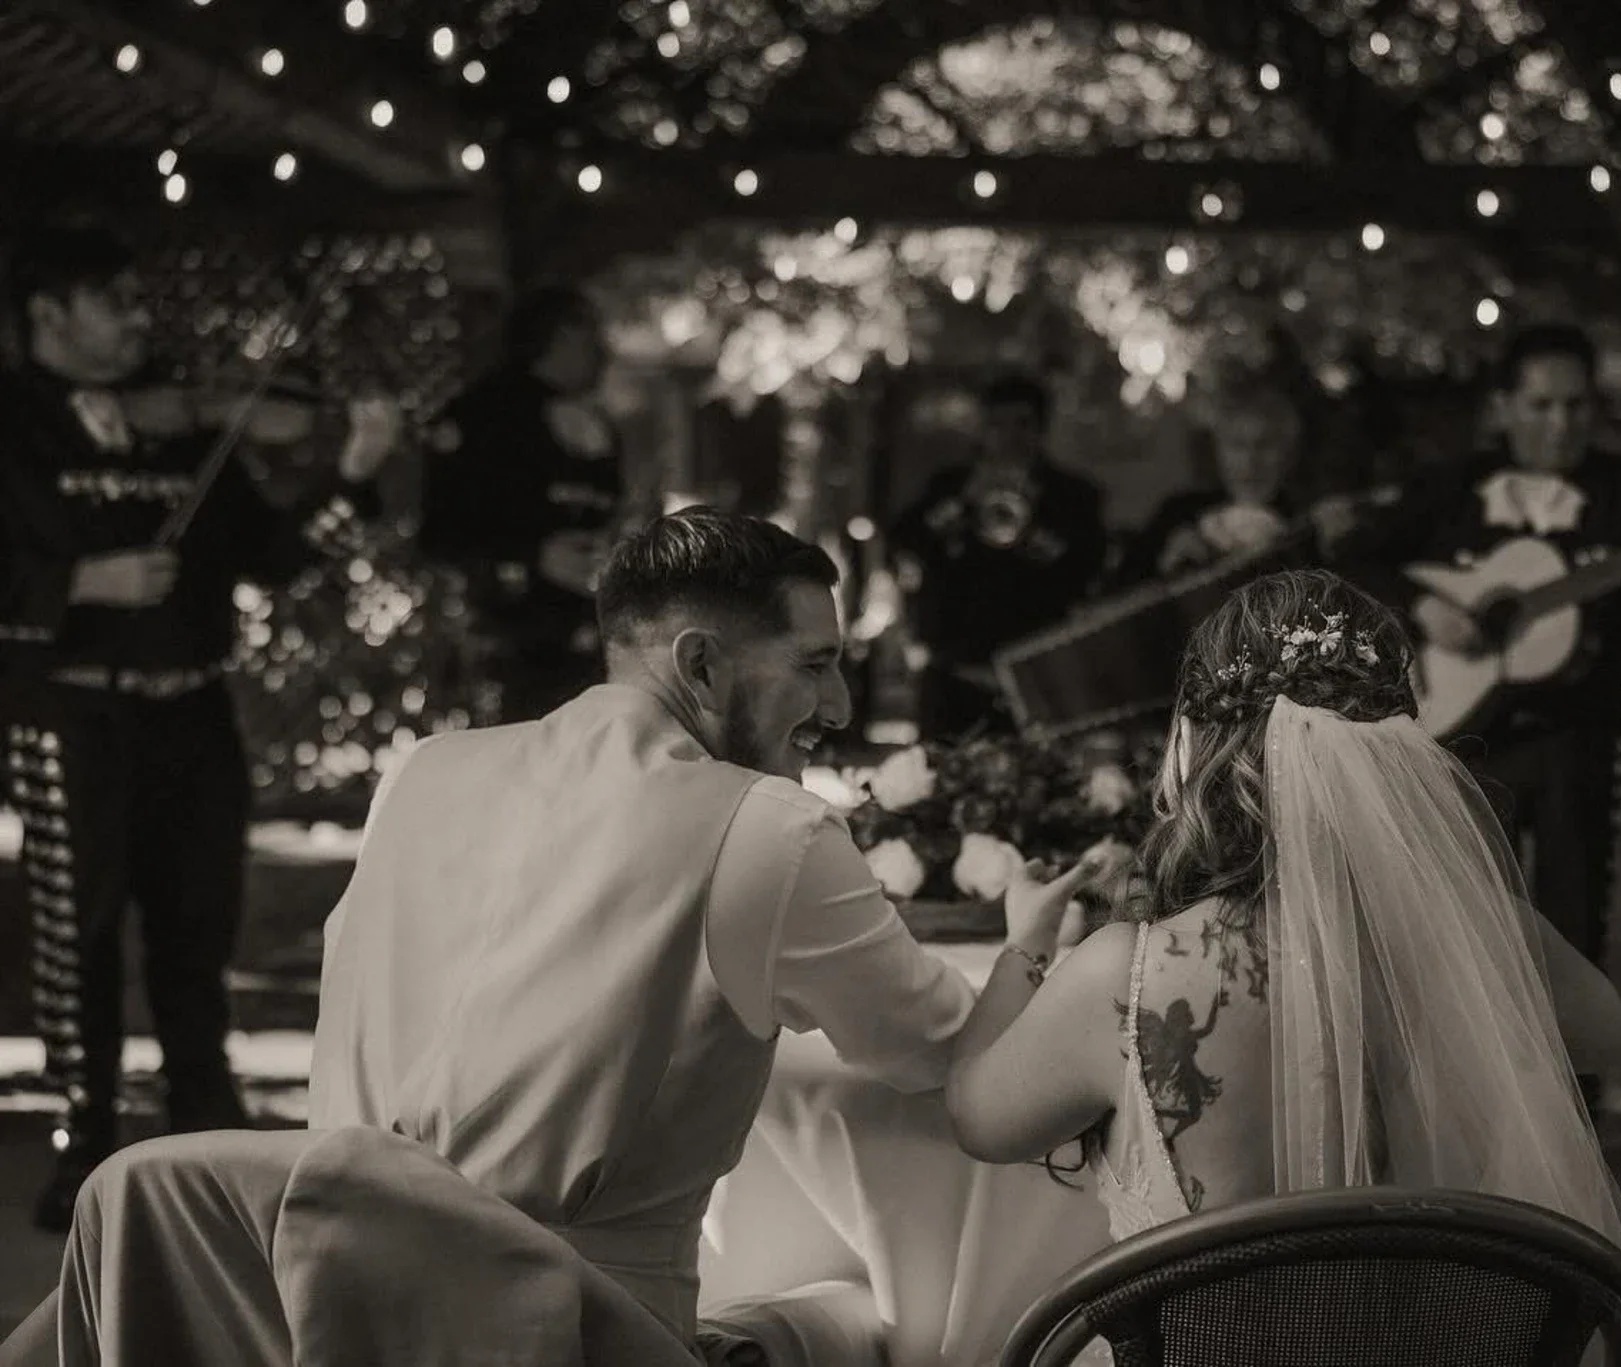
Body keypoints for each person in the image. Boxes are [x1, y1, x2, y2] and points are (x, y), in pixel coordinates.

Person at [943, 569, 1621, 1364]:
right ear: (1394, 755)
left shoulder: (1128, 973)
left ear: (1194, 741)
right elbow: (1606, 1029)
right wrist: (1476, 906)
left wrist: (1025, 944)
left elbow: (979, 1117)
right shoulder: (1481, 931)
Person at [306, 508, 978, 1361]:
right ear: (699, 662)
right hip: (582, 1333)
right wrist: (1033, 945)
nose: (840, 705)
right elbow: (942, 1053)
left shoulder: (419, 773)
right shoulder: (769, 828)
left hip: (329, 1319)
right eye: (816, 665)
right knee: (885, 1321)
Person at [0, 224, 399, 1232]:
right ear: (48, 313)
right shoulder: (13, 423)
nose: (141, 321)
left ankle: (202, 1120)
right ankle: (86, 1138)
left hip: (193, 711)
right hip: (71, 709)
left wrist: (349, 469)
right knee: (77, 934)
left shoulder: (186, 432)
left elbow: (271, 553)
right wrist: (82, 581)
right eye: (116, 302)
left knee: (198, 925)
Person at [1331, 325, 1621, 1098]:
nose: (1560, 424)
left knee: (1571, 932)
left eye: (1577, 406)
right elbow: (1356, 557)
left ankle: (1572, 1131)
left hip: (1576, 740)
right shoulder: (1452, 487)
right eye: (1541, 405)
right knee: (1454, 925)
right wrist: (1423, 605)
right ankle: (1463, 1112)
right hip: (1468, 739)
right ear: (1502, 408)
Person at [418, 285, 625, 724]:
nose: (604, 351)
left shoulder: (595, 420)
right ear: (563, 335)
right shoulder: (481, 420)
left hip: (591, 643)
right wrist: (530, 558)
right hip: (506, 648)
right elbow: (441, 535)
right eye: (591, 333)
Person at [889, 375, 1107, 738]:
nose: (1009, 437)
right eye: (996, 425)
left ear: (1041, 430)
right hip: (954, 670)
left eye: (1022, 424)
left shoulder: (1074, 496)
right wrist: (961, 503)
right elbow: (906, 543)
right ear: (982, 430)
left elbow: (1084, 572)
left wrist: (1031, 530)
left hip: (1041, 673)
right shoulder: (949, 486)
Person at [1118, 380, 1306, 586]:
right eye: (1237, 445)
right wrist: (1166, 567)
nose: (1250, 461)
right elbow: (1116, 593)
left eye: (1265, 445)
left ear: (1289, 454)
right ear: (1218, 450)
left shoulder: (1305, 523)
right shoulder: (1178, 514)